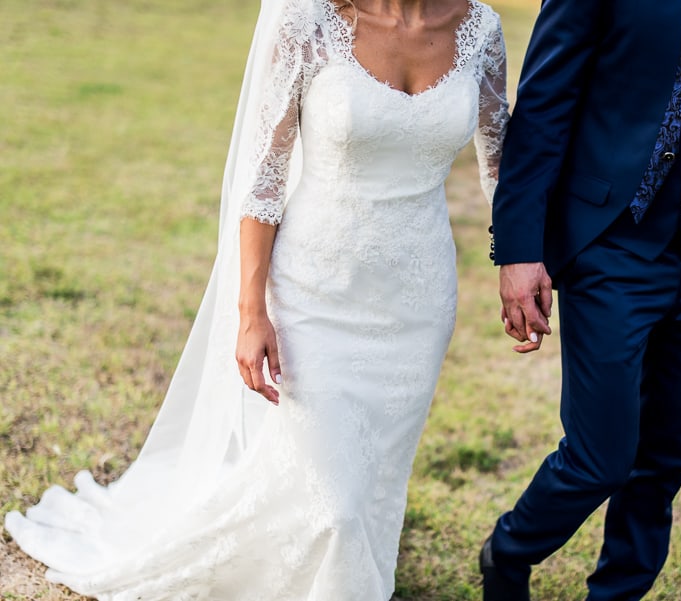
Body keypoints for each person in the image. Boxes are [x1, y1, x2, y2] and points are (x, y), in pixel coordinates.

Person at [4, 0, 508, 598]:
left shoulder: (481, 29)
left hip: (417, 301)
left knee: (373, 479)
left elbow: (501, 166)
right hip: (314, 293)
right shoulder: (309, 22)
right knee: (339, 500)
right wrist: (251, 312)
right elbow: (263, 181)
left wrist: (517, 260)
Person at [480, 0, 681, 599]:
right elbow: (545, 104)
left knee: (665, 462)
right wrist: (519, 249)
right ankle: (507, 552)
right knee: (598, 459)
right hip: (611, 243)